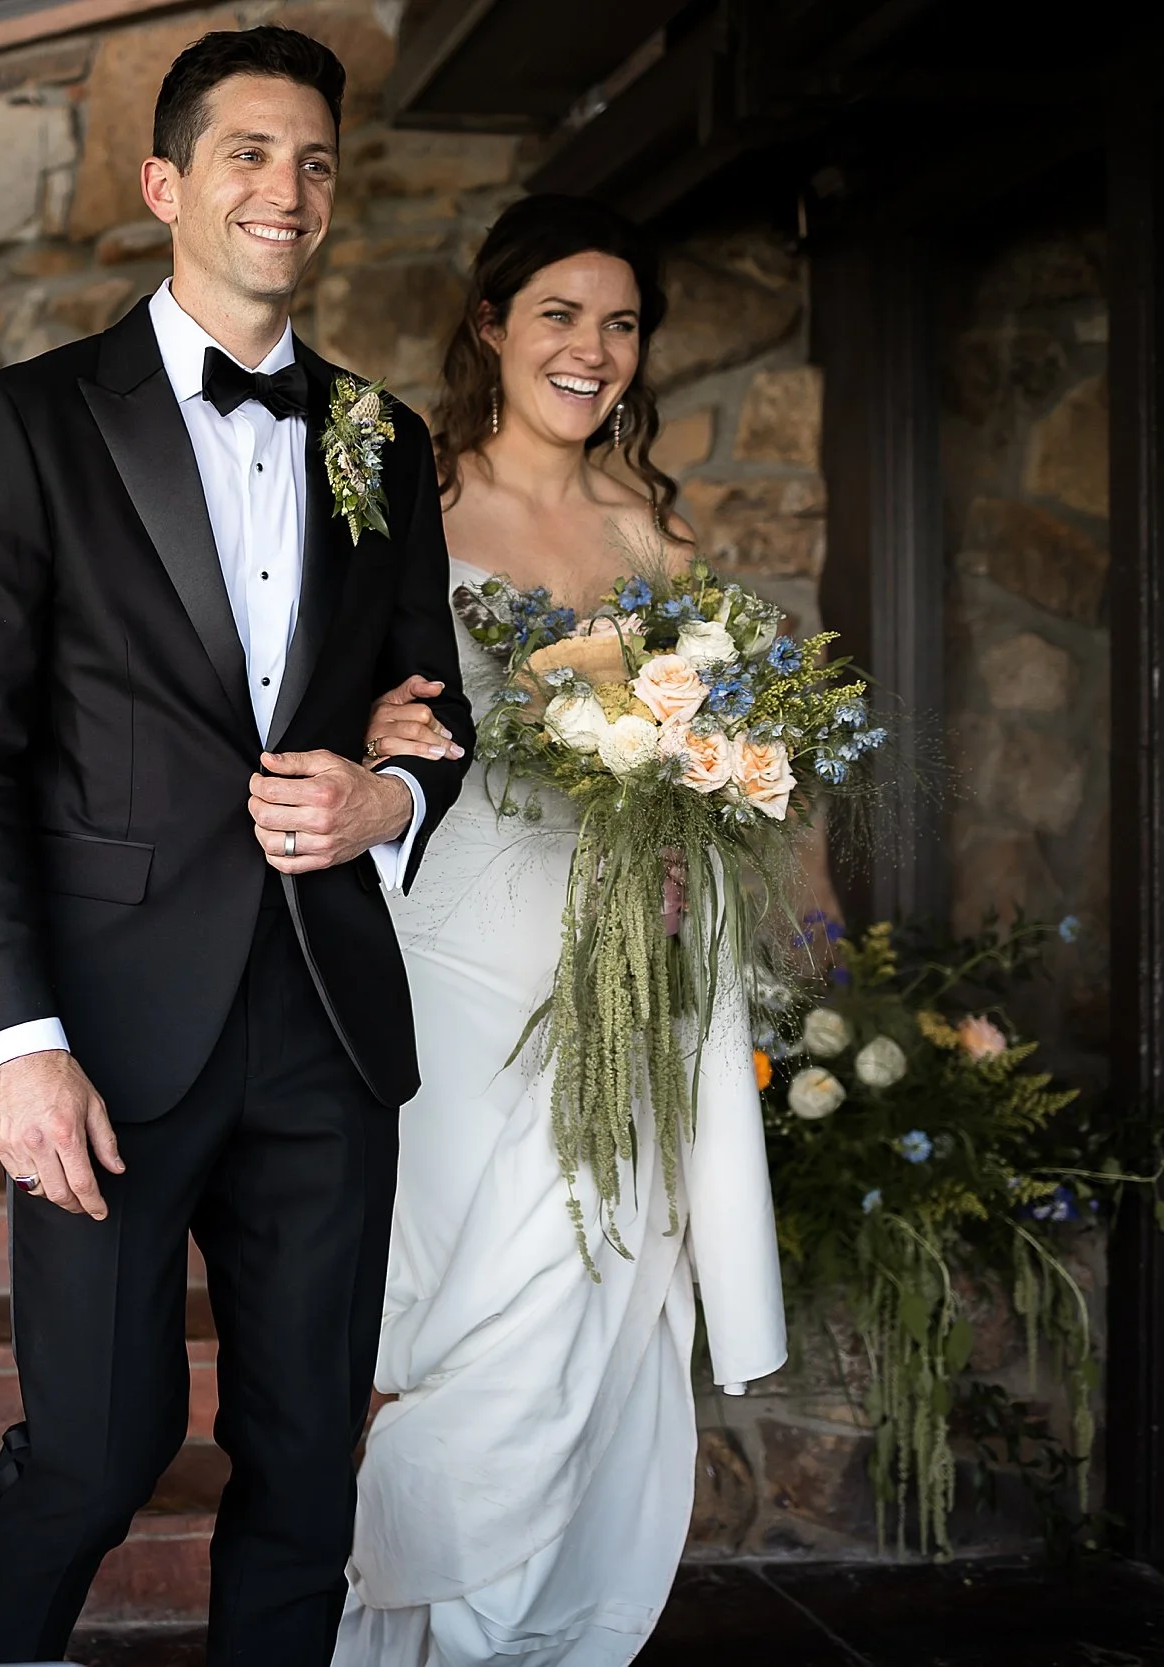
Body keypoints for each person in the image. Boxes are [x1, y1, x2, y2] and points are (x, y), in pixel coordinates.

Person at [0, 25, 473, 1665]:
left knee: (306, 1462)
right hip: (104, 1030)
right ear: (165, 182)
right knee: (96, 1449)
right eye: (245, 154)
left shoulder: (386, 440)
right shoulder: (27, 424)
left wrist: (391, 802)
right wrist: (13, 1043)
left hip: (325, 1022)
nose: (283, 189)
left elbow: (438, 712)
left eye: (310, 160)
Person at [333, 196, 789, 1666]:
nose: (592, 350)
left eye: (621, 322)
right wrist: (373, 722)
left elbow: (711, 738)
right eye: (559, 314)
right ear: (489, 324)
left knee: (603, 1274)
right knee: (478, 1293)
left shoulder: (650, 524)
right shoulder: (413, 501)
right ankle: (422, 1616)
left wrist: (709, 795)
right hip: (460, 956)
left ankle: (542, 1639)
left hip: (626, 961)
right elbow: (332, 706)